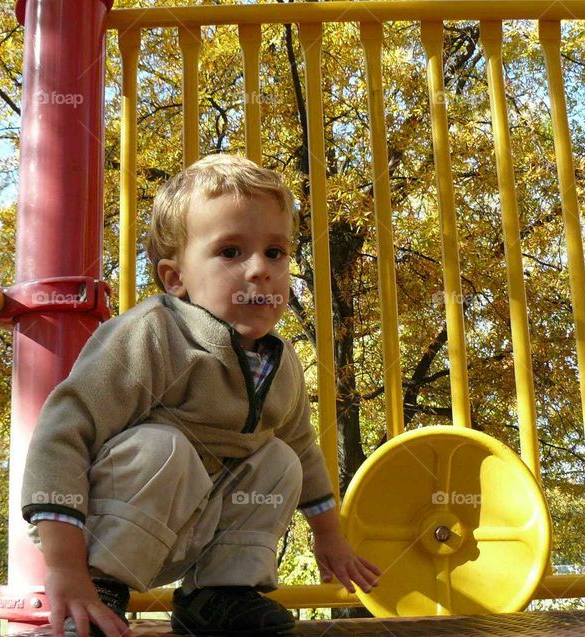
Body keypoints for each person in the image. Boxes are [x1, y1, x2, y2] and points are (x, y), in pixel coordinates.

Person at [20, 154, 382, 637]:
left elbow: (305, 452)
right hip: (112, 528)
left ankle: (218, 596)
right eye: (231, 252)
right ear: (176, 278)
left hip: (199, 530)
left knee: (279, 459)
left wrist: (329, 536)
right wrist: (66, 567)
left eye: (275, 252)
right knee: (163, 447)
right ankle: (102, 588)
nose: (260, 270)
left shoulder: (281, 363)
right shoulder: (150, 335)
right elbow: (63, 431)